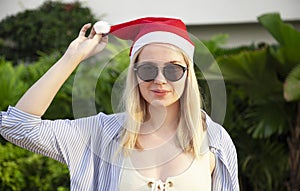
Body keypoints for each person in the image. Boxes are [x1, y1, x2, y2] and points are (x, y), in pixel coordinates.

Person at [0, 17, 239, 191]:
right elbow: (18, 127)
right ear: (134, 74)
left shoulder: (215, 140)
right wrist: (73, 57)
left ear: (188, 75)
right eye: (147, 69)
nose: (160, 80)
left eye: (173, 69)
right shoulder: (101, 134)